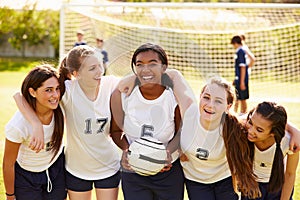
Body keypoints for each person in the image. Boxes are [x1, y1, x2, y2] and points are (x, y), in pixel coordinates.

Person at [14, 45, 121, 200]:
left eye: (99, 65)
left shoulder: (110, 84)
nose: (99, 71)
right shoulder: (67, 90)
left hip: (108, 166)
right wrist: (36, 124)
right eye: (92, 68)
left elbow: (135, 82)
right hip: (76, 168)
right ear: (76, 74)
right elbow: (19, 96)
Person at [170, 74, 300, 200]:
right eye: (206, 97)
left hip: (262, 183)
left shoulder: (287, 142)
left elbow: (271, 120)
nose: (251, 130)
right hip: (233, 183)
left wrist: (295, 131)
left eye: (259, 130)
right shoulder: (242, 126)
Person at [110, 43, 184, 200]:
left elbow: (180, 133)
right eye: (139, 64)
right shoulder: (124, 95)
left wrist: (167, 152)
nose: (145, 69)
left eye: (152, 64)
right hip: (133, 173)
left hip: (168, 173)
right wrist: (125, 150)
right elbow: (116, 131)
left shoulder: (173, 97)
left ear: (164, 67)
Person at [175, 76, 260, 200]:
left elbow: (267, 118)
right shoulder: (188, 112)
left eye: (218, 101)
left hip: (224, 179)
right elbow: (174, 75)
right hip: (195, 180)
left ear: (228, 106)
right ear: (200, 97)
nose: (210, 105)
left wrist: (294, 131)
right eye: (206, 97)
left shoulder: (234, 125)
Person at [3, 65, 66, 200]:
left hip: (55, 168)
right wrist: (10, 195)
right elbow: (8, 164)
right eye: (48, 90)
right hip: (26, 177)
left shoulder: (61, 107)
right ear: (33, 92)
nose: (55, 95)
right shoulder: (18, 125)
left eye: (57, 89)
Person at [242, 102, 299, 200]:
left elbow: (290, 174)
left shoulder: (289, 142)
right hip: (251, 185)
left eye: (259, 130)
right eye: (251, 123)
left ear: (273, 132)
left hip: (277, 186)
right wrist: (295, 130)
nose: (251, 131)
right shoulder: (242, 130)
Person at [231, 35, 249, 115]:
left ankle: (243, 115)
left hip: (242, 79)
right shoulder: (240, 51)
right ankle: (236, 113)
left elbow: (243, 67)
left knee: (242, 99)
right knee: (238, 98)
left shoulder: (240, 51)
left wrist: (241, 82)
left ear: (235, 43)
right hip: (239, 79)